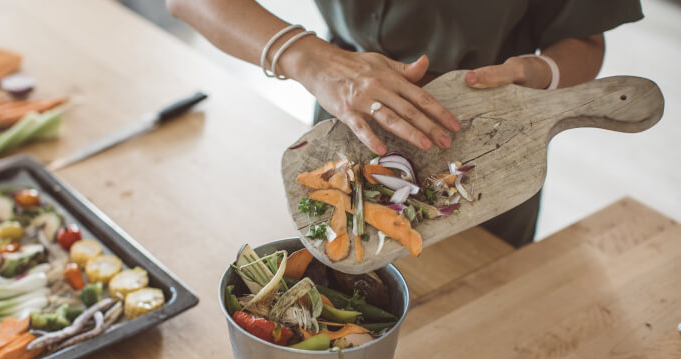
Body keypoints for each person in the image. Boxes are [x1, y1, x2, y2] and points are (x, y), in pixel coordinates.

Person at [167, 0, 643, 247]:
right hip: (349, 128)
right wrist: (313, 61)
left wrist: (540, 76)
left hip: (491, 143)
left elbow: (583, 35)